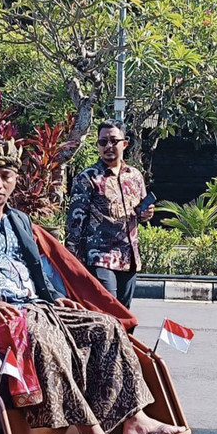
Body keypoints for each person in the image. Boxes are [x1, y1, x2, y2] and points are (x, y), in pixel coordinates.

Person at [0, 139, 185, 434]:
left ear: (15, 179)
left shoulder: (20, 220)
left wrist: (58, 296)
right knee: (44, 339)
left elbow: (37, 271)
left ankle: (134, 421)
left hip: (39, 307)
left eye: (5, 176)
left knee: (106, 327)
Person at [66, 120, 155, 309]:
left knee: (125, 315)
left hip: (129, 258)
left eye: (114, 141)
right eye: (103, 142)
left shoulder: (135, 176)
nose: (108, 146)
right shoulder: (87, 178)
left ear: (125, 143)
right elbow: (75, 222)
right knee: (108, 311)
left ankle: (124, 340)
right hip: (100, 257)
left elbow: (139, 213)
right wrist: (69, 263)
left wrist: (145, 213)